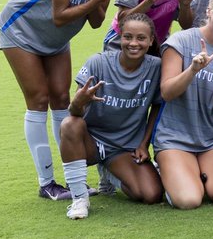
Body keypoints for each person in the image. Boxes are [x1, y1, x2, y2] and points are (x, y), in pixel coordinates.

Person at [0, 0, 122, 201]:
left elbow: (95, 21)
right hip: (21, 28)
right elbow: (59, 16)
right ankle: (47, 183)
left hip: (56, 39)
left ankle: (72, 178)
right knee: (39, 100)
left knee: (62, 100)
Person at [58, 13, 165, 219]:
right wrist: (79, 103)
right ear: (119, 37)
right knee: (70, 124)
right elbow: (74, 112)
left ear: (151, 40)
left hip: (123, 149)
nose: (133, 43)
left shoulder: (156, 67)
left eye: (141, 38)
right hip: (91, 143)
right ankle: (79, 199)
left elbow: (157, 107)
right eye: (128, 37)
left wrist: (143, 144)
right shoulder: (98, 63)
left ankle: (108, 173)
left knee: (151, 194)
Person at [155, 0, 213, 209]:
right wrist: (192, 70)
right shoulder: (180, 41)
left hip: (212, 138)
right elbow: (167, 91)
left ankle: (199, 172)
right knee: (189, 200)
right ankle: (173, 172)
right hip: (175, 137)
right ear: (209, 10)